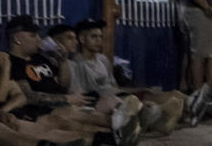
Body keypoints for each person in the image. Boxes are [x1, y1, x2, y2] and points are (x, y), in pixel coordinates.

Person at [1, 15, 140, 146]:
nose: (38, 39)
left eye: (38, 35)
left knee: (106, 101)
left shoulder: (40, 58)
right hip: (47, 108)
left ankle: (124, 124)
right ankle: (121, 126)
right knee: (75, 116)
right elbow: (28, 96)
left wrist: (62, 61)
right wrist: (66, 99)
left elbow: (64, 84)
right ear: (17, 39)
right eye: (32, 35)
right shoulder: (12, 63)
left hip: (67, 100)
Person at [0, 22, 89, 146]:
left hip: (6, 117)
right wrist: (6, 68)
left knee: (74, 136)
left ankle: (108, 136)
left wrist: (0, 111)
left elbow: (18, 96)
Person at [67, 18, 195, 132]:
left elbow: (115, 87)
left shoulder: (103, 60)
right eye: (94, 37)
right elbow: (88, 95)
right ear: (82, 39)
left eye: (100, 36)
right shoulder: (77, 64)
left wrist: (138, 89)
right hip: (108, 101)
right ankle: (164, 115)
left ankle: (200, 107)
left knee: (171, 94)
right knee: (150, 103)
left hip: (119, 94)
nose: (99, 40)